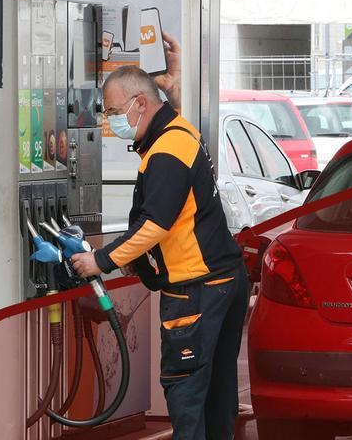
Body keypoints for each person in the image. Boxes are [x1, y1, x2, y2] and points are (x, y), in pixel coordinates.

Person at [71, 63, 249, 440]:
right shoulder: (180, 132)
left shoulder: (166, 150)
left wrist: (100, 260)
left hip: (196, 290)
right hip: (223, 280)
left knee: (185, 393)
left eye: (116, 112)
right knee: (216, 393)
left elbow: (156, 224)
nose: (112, 121)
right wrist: (142, 261)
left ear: (139, 103)